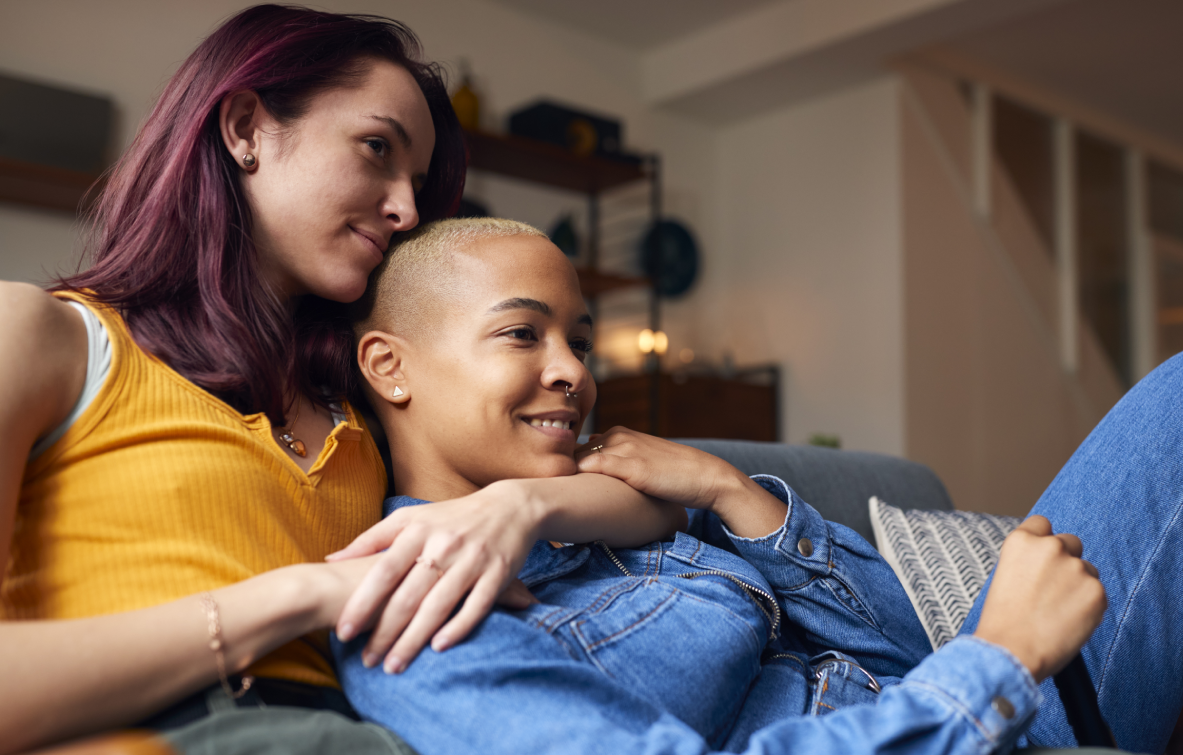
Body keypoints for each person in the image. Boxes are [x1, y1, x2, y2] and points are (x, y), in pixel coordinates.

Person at [331, 216, 1183, 754]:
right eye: (522, 333)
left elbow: (898, 642)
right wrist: (1000, 654)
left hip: (994, 704)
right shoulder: (411, 610)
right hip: (982, 708)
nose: (571, 371)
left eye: (577, 339)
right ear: (389, 366)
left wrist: (732, 492)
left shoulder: (608, 501)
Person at [0, 7, 685, 754]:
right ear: (244, 129)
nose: (406, 208)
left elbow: (647, 498)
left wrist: (520, 508)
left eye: (418, 181)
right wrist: (301, 595)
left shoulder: (366, 401)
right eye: (375, 148)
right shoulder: (43, 334)